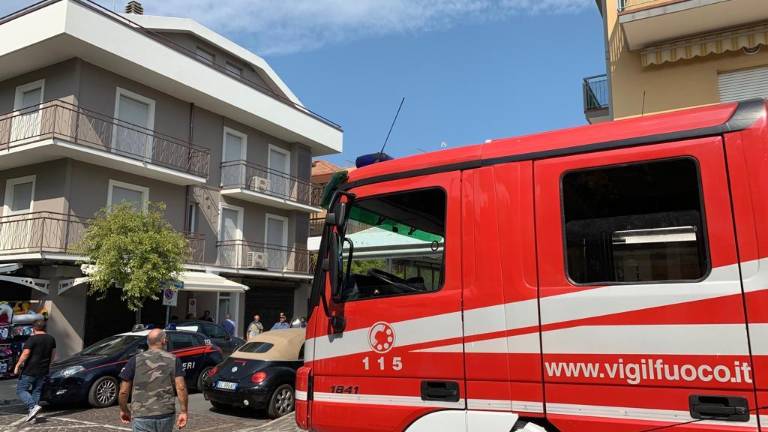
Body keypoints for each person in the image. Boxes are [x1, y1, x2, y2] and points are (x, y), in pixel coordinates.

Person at [119, 329, 188, 432]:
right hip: (165, 413)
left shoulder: (135, 360)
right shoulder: (173, 359)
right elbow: (181, 387)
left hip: (142, 414)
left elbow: (124, 391)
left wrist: (124, 410)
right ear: (164, 341)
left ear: (148, 342)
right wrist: (184, 411)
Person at [14, 320, 55, 423]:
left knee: (20, 390)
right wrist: (49, 366)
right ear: (44, 328)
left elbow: (25, 353)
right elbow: (53, 354)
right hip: (43, 370)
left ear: (34, 328)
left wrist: (17, 365)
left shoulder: (32, 339)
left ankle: (33, 407)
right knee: (36, 391)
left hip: (30, 370)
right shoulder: (51, 339)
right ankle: (33, 416)